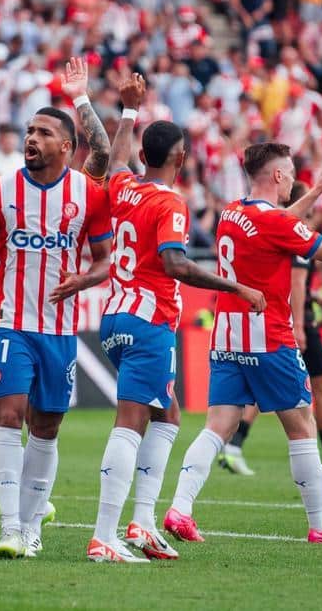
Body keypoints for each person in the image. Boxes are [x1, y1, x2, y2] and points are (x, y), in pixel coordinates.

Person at [85, 73, 267, 563]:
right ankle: (104, 535)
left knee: (167, 415)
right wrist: (237, 286)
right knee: (132, 422)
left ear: (146, 156)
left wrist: (128, 111)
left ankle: (142, 522)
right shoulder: (170, 202)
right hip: (147, 322)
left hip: (118, 315)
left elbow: (116, 158)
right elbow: (176, 264)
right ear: (181, 158)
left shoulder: (123, 186)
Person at [0, 58, 114, 559]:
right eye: (29, 131)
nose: (31, 139)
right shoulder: (2, 189)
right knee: (7, 415)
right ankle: (12, 528)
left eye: (43, 132)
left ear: (66, 146)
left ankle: (32, 524)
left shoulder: (89, 194)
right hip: (11, 325)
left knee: (46, 426)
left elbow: (108, 261)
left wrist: (83, 279)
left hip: (59, 332)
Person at [163, 142, 322, 545]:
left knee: (217, 427)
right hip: (269, 338)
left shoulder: (233, 212)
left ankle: (179, 509)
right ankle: (321, 524)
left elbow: (274, 224)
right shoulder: (275, 221)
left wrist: (316, 191)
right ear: (276, 176)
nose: (292, 177)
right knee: (302, 425)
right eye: (289, 171)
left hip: (226, 338)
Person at [219, 171, 322, 479]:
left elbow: (296, 283)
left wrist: (313, 298)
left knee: (256, 396)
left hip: (246, 328)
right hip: (287, 326)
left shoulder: (244, 214)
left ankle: (233, 448)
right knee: (314, 398)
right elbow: (315, 269)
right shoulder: (292, 231)